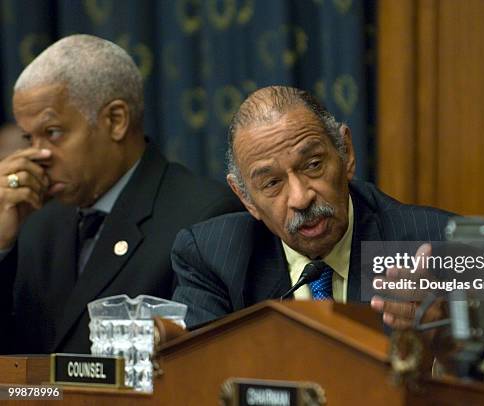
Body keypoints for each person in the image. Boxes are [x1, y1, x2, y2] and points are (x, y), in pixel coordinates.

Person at [0, 34, 242, 354]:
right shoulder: (32, 220)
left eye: (52, 133)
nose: (37, 155)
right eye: (29, 138)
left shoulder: (205, 218)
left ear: (116, 120)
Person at [171, 85, 453, 328]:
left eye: (313, 165)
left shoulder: (438, 243)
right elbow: (198, 375)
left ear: (346, 153)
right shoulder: (213, 257)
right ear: (245, 198)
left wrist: (446, 345)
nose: (300, 198)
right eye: (272, 183)